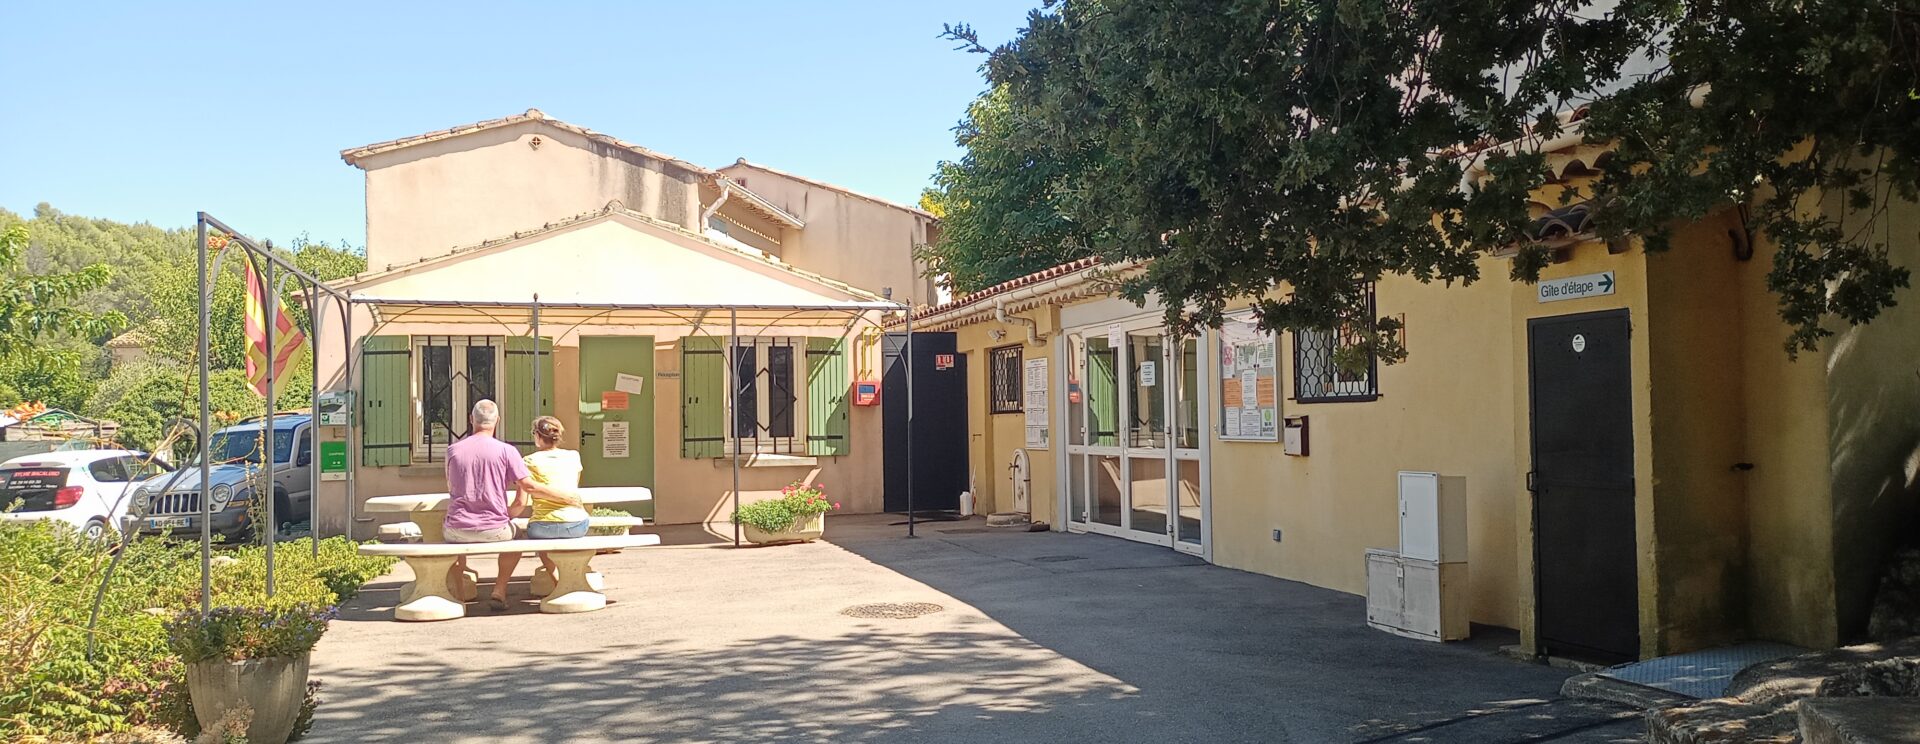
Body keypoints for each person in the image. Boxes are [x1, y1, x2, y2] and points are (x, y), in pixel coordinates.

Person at [443, 399, 576, 610]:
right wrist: (564, 497)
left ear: (471, 420)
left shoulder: (453, 451)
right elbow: (528, 487)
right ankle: (500, 589)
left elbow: (451, 486)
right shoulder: (507, 451)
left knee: (455, 543)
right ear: (497, 420)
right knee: (517, 536)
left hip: (456, 529)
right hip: (494, 528)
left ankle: (460, 595)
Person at [519, 416, 590, 581]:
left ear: (537, 436)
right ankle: (570, 578)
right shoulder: (573, 456)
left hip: (542, 525)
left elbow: (525, 495)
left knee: (541, 544)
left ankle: (557, 579)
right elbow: (573, 485)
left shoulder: (529, 461)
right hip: (576, 523)